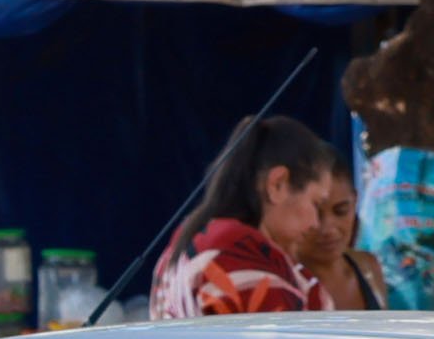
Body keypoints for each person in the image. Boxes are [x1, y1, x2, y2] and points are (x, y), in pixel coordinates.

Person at [148, 114, 374, 317]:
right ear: (277, 185)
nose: (315, 223)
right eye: (315, 204)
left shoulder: (187, 242)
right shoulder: (238, 253)